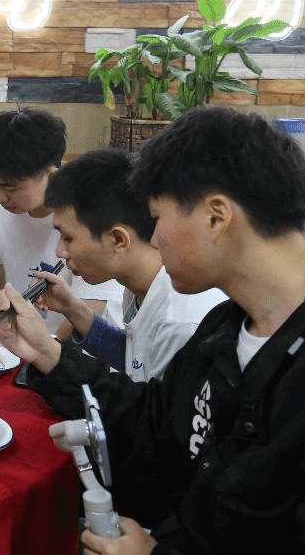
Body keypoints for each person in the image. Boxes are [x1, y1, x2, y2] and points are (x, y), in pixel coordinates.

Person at [0, 106, 305, 555]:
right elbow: (157, 425)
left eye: (157, 217)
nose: (154, 237)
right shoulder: (227, 326)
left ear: (216, 217)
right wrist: (50, 355)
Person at [33, 147, 225, 381]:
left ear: (118, 240)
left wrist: (48, 352)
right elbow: (136, 359)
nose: (60, 252)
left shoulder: (178, 324)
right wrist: (72, 308)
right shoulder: (141, 282)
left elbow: (148, 402)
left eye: (68, 238)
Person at [0, 106, 121, 331]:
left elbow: (92, 308)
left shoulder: (87, 214)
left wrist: (48, 348)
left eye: (11, 188)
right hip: (27, 341)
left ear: (50, 176)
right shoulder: (9, 206)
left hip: (73, 345)